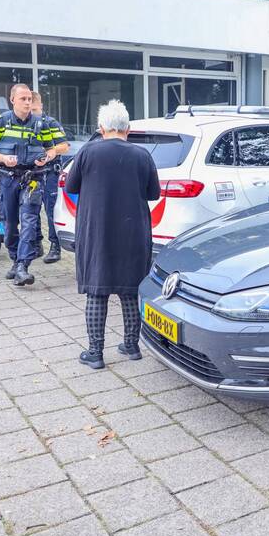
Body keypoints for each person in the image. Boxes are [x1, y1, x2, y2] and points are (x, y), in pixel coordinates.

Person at [66, 100, 160, 369]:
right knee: (130, 290)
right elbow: (154, 194)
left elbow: (72, 185)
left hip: (97, 230)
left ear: (101, 128)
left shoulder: (87, 152)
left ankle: (95, 353)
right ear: (128, 129)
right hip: (133, 231)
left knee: (98, 290)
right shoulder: (142, 155)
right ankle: (131, 346)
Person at [0, 84, 69, 286]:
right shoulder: (1, 122)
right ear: (12, 100)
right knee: (10, 223)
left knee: (29, 220)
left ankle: (23, 266)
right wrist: (3, 158)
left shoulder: (42, 124)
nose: (27, 102)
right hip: (8, 178)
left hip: (32, 179)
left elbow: (56, 148)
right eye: (23, 99)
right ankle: (15, 259)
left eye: (30, 99)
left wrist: (46, 157)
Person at [31, 91, 67, 264]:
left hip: (50, 172)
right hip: (31, 172)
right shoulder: (25, 123)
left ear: (41, 106)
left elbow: (64, 146)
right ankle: (37, 243)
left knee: (50, 209)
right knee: (32, 207)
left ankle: (55, 246)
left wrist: (47, 152)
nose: (32, 112)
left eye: (35, 108)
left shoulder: (50, 123)